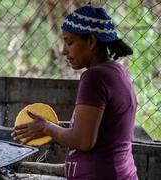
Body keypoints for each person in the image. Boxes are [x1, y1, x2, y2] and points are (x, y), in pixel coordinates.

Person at [11, 5, 137, 180]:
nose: (63, 51)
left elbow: (83, 140)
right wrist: (54, 127)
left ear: (92, 41)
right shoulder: (117, 71)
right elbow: (100, 129)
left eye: (69, 42)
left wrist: (47, 128)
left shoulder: (94, 77)